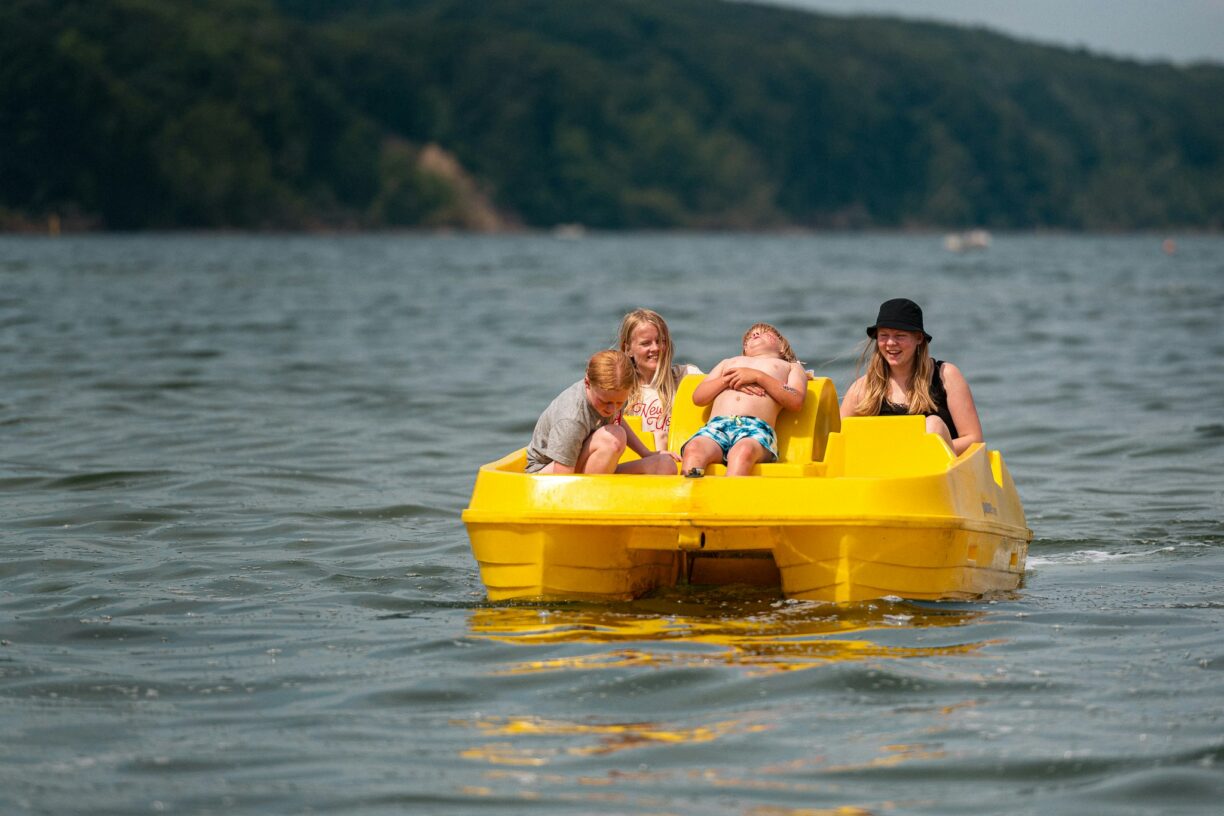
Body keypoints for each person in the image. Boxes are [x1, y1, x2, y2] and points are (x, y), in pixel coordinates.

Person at [839, 298, 983, 456]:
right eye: (884, 335)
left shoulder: (946, 375)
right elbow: (838, 442)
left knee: (933, 425)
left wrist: (922, 450)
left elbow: (974, 439)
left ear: (919, 338)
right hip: (887, 468)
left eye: (900, 335)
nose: (890, 343)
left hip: (941, 466)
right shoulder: (862, 388)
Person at [679, 323, 807, 477]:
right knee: (694, 449)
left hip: (755, 430)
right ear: (745, 350)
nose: (754, 335)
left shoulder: (790, 367)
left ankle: (729, 492)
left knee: (742, 451)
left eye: (764, 332)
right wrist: (728, 380)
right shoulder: (728, 363)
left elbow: (796, 400)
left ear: (782, 346)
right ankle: (692, 489)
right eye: (748, 338)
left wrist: (758, 377)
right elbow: (698, 397)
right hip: (717, 426)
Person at [525, 350, 681, 475]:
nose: (612, 409)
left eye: (619, 403)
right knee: (612, 438)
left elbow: (618, 418)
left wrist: (646, 453)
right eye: (606, 402)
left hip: (582, 464)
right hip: (545, 475)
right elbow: (561, 479)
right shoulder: (572, 418)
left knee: (664, 465)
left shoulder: (611, 395)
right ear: (588, 383)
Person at [617, 309, 702, 451]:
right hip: (638, 459)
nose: (655, 348)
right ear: (628, 349)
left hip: (678, 458)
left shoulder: (685, 376)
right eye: (646, 343)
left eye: (661, 341)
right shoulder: (621, 389)